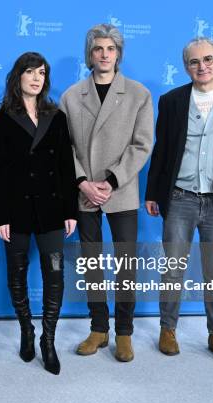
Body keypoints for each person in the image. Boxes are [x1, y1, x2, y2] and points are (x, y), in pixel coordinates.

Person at [145, 37, 213, 364]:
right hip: (179, 198)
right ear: (186, 66)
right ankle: (168, 329)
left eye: (207, 60)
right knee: (174, 268)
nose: (202, 66)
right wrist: (152, 193)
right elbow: (161, 150)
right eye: (194, 62)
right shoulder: (172, 100)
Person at [60, 24, 153, 362]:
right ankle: (98, 328)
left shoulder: (139, 94)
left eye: (110, 49)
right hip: (84, 191)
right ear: (90, 53)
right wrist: (83, 181)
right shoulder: (71, 96)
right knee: (91, 263)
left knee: (126, 264)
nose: (104, 54)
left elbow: (142, 145)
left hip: (122, 191)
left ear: (118, 53)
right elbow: (63, 146)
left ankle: (124, 332)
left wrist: (111, 181)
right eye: (98, 49)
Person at [0, 52, 78, 375]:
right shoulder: (1, 120)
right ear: (18, 77)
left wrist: (71, 210)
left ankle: (48, 340)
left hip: (53, 207)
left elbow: (66, 167)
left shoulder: (57, 117)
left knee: (55, 274)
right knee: (17, 272)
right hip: (15, 208)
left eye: (42, 72)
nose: (36, 78)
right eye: (30, 72)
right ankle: (27, 330)